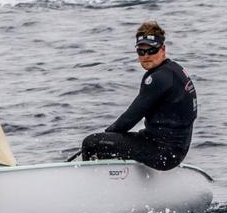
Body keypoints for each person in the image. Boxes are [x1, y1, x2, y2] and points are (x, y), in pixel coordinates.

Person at [81, 21, 197, 170]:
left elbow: (129, 119)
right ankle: (117, 176)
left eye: (151, 51)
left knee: (91, 143)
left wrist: (106, 137)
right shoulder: (174, 70)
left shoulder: (159, 78)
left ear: (163, 49)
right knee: (112, 142)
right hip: (172, 149)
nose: (146, 56)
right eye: (141, 52)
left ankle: (91, 183)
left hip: (163, 154)